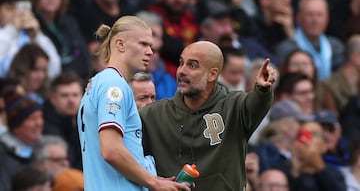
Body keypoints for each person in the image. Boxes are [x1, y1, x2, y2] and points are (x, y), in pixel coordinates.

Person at [140, 41, 277, 190]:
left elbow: (255, 105)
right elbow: (126, 156)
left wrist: (262, 90)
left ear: (212, 74)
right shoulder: (153, 114)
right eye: (181, 63)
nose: (181, 71)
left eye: (192, 65)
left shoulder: (234, 106)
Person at [77, 15, 190, 191]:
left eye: (151, 46)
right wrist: (154, 182)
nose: (150, 52)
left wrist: (152, 178)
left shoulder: (99, 82)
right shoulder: (113, 85)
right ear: (120, 44)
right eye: (143, 44)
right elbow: (111, 150)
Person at [0, 92, 44, 191]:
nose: (39, 123)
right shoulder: (3, 155)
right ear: (16, 127)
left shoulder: (42, 148)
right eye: (33, 119)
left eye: (40, 117)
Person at [42, 72, 83, 169]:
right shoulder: (46, 127)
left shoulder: (83, 122)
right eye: (64, 96)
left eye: (75, 95)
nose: (71, 101)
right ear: (53, 99)